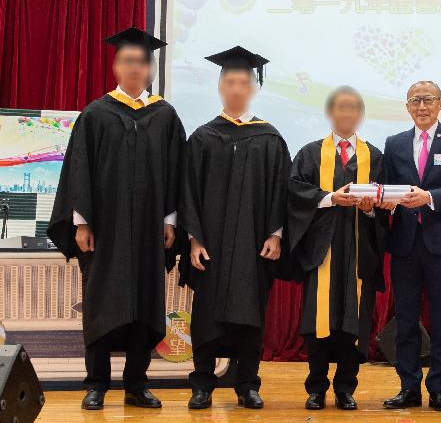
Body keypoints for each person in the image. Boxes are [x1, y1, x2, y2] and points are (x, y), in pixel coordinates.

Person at [47, 27, 185, 411]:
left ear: (151, 68)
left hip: (148, 232)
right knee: (102, 304)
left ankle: (137, 384)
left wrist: (170, 219)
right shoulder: (96, 114)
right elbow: (79, 171)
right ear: (115, 66)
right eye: (128, 61)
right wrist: (81, 222)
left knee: (145, 305)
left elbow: (176, 172)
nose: (135, 68)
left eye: (142, 62)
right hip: (104, 232)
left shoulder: (165, 116)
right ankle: (97, 384)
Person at [178, 46, 290, 410]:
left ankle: (248, 384)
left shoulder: (270, 139)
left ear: (253, 87)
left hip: (254, 246)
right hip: (212, 245)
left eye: (243, 82)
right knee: (207, 314)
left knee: (250, 314)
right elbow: (188, 192)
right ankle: (203, 384)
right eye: (230, 81)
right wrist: (193, 239)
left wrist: (276, 233)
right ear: (220, 86)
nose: (237, 88)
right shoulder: (203, 137)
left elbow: (280, 190)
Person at [287, 86, 386, 411]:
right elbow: (296, 192)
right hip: (324, 252)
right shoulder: (311, 153)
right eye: (340, 108)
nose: (346, 113)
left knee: (352, 324)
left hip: (359, 251)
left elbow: (386, 203)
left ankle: (346, 388)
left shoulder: (375, 156)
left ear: (359, 115)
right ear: (331, 113)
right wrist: (330, 198)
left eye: (353, 108)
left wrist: (371, 207)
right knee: (319, 322)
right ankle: (316, 388)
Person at [379, 80, 441, 412]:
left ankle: (438, 389)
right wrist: (381, 200)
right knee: (405, 321)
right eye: (415, 101)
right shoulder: (394, 143)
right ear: (407, 107)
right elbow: (387, 187)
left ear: (440, 104)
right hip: (405, 245)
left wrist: (430, 197)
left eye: (428, 100)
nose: (422, 106)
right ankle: (408, 387)